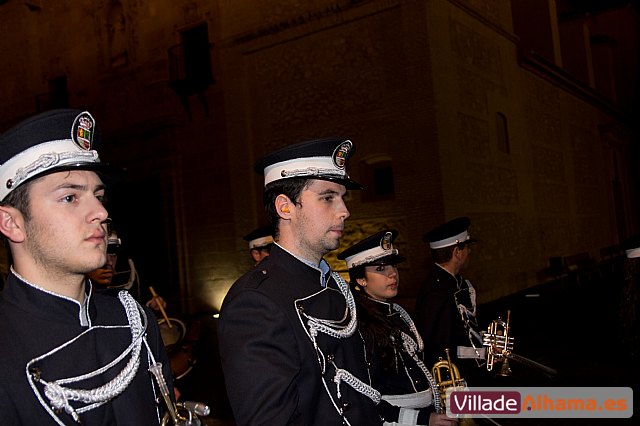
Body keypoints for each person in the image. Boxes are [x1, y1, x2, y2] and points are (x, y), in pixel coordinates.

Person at [0, 109, 175, 424]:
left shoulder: (134, 321)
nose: (100, 212)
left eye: (99, 195)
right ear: (12, 223)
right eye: (70, 198)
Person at [218, 138, 383, 425]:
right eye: (328, 197)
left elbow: (360, 392)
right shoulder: (256, 302)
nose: (344, 211)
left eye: (343, 197)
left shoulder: (333, 285)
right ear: (285, 208)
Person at [338, 230, 458, 426]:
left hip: (427, 412)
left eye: (392, 265)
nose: (392, 273)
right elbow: (364, 395)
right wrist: (423, 418)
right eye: (380, 268)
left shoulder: (398, 313)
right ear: (361, 280)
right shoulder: (359, 324)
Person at [414, 217, 487, 385]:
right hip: (458, 380)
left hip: (472, 372)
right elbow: (441, 348)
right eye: (467, 247)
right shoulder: (436, 292)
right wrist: (483, 353)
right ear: (457, 252)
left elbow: (466, 331)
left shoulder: (456, 282)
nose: (470, 251)